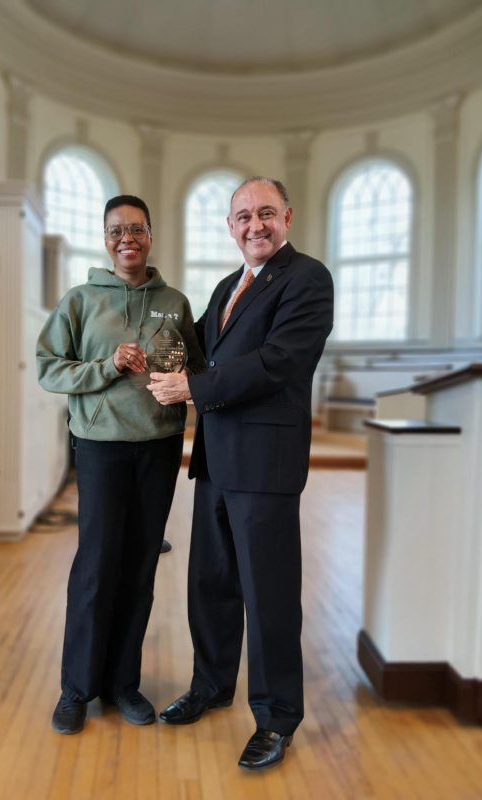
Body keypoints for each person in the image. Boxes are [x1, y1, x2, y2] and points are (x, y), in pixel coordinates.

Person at [147, 177, 333, 770]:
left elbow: (278, 362)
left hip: (266, 466)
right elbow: (198, 347)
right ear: (230, 227)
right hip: (217, 462)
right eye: (244, 216)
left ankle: (277, 718)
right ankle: (211, 685)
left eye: (266, 213)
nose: (256, 225)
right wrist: (140, 348)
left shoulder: (308, 278)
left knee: (269, 595)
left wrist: (192, 388)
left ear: (288, 217)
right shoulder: (231, 284)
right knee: (211, 584)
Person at [37, 194, 204, 735]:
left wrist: (187, 391)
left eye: (136, 228)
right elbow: (49, 369)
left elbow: (197, 370)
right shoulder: (81, 300)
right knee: (96, 565)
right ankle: (76, 689)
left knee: (139, 567)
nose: (126, 238)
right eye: (116, 230)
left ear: (151, 236)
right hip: (101, 446)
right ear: (105, 238)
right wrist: (104, 368)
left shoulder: (174, 302)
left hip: (158, 448)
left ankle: (123, 685)